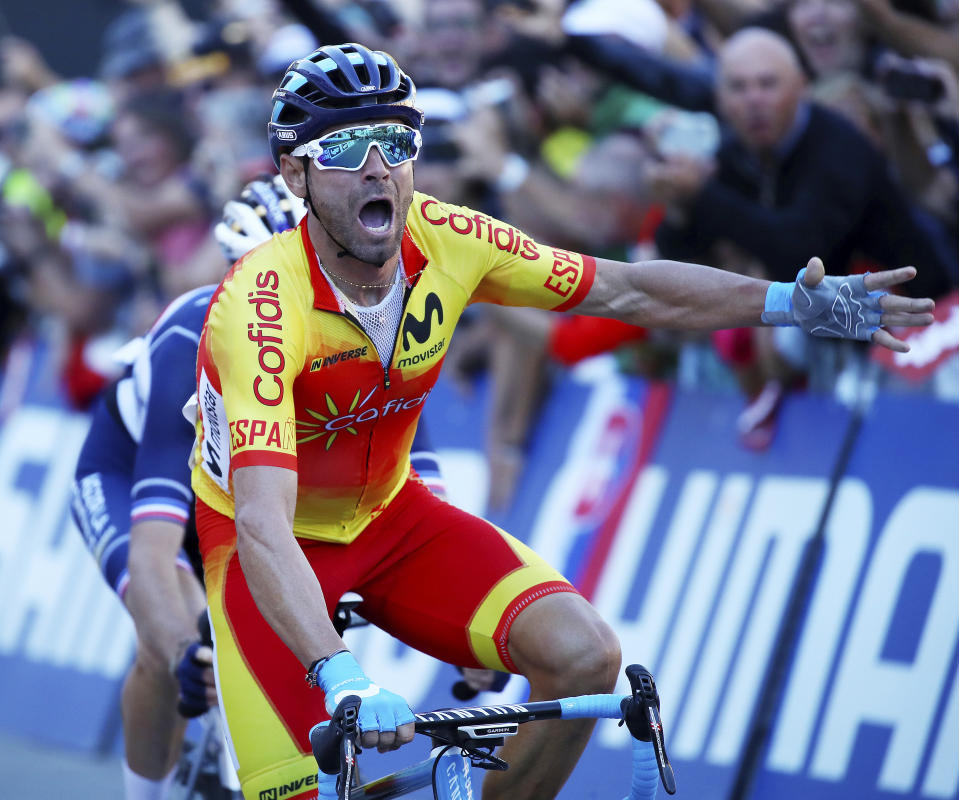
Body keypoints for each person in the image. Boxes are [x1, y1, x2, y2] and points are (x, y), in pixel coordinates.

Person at [189, 42, 934, 800]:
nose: (379, 166)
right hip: (268, 547)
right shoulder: (258, 308)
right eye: (347, 147)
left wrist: (787, 303)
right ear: (294, 175)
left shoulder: (450, 239)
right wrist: (341, 674)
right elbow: (261, 525)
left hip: (389, 520)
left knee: (583, 657)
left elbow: (627, 291)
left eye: (398, 141)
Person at [70, 172, 458, 800]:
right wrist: (180, 649)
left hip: (259, 493)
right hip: (133, 474)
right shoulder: (189, 338)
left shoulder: (374, 328)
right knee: (166, 646)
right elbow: (153, 552)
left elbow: (428, 510)